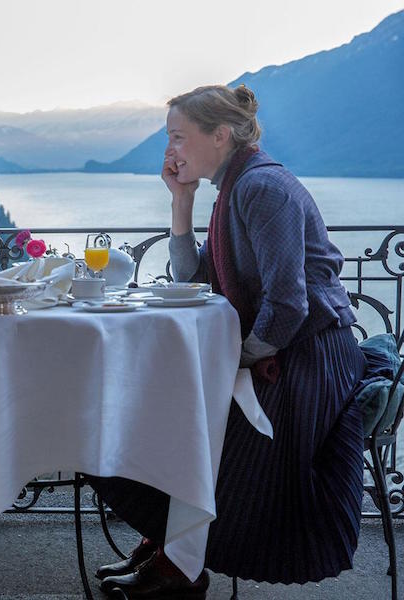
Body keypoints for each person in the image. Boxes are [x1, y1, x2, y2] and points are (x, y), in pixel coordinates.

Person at [89, 84, 366, 598]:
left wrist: (234, 359)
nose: (170, 150)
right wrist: (181, 203)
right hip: (285, 349)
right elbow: (195, 279)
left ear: (219, 135)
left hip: (309, 360)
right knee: (162, 412)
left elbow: (289, 305)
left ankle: (180, 566)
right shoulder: (235, 188)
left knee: (189, 427)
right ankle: (172, 546)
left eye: (178, 136)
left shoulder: (262, 188)